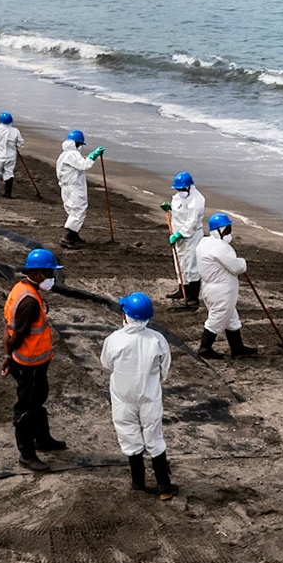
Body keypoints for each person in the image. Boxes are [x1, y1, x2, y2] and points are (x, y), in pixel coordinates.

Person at [100, 291, 176, 496]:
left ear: (126, 314)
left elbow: (106, 364)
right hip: (149, 397)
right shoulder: (157, 339)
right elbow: (165, 369)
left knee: (129, 436)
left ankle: (138, 483)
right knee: (154, 438)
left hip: (123, 398)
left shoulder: (114, 339)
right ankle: (164, 486)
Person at [4, 248, 68, 470]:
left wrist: (9, 356)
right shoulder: (30, 302)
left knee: (38, 398)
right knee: (26, 408)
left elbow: (8, 326)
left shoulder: (20, 289)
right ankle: (27, 454)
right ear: (38, 273)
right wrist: (9, 356)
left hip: (34, 362)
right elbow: (16, 335)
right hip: (28, 364)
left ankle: (42, 440)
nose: (52, 278)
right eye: (50, 273)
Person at [195, 212, 257, 359]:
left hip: (210, 288)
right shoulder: (221, 247)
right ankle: (205, 348)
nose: (229, 233)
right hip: (221, 291)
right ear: (220, 231)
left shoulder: (204, 243)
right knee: (216, 319)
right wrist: (242, 262)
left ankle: (237, 347)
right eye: (227, 230)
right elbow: (236, 268)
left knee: (231, 318)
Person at [55, 131, 104, 247]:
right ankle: (67, 237)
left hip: (66, 187)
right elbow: (84, 165)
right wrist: (94, 155)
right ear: (77, 144)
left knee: (73, 211)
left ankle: (74, 235)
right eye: (81, 144)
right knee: (78, 211)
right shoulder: (72, 154)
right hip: (74, 188)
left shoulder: (64, 154)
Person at [166, 172, 206, 305]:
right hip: (178, 236)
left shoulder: (197, 200)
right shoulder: (178, 197)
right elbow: (179, 214)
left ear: (189, 187)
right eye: (178, 189)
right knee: (180, 263)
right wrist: (170, 209)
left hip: (191, 237)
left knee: (191, 266)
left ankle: (193, 297)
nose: (180, 191)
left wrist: (180, 234)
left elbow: (192, 221)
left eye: (182, 189)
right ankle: (182, 289)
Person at [0, 112, 23, 198]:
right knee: (9, 172)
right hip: (10, 156)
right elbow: (20, 143)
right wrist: (16, 146)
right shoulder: (15, 131)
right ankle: (7, 193)